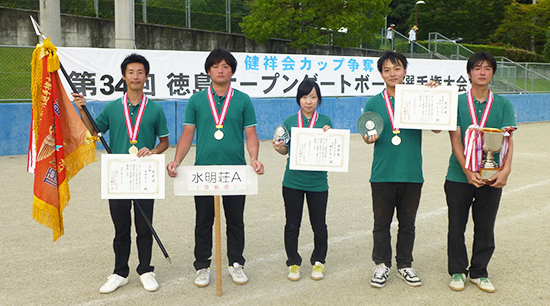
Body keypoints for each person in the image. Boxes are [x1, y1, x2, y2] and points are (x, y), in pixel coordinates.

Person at [166, 49, 264, 287]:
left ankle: (236, 263)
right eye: (216, 66)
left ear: (232, 71)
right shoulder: (197, 100)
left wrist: (254, 158)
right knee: (203, 220)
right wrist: (177, 160)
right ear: (208, 71)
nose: (221, 70)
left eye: (225, 66)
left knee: (235, 220)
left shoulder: (242, 99)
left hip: (235, 172)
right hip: (204, 172)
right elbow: (187, 134)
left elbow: (251, 134)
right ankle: (202, 266)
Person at [73, 53, 170, 293]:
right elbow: (94, 131)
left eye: (140, 72)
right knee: (121, 227)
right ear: (124, 76)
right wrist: (83, 109)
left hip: (144, 175)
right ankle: (120, 272)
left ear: (146, 77)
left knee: (144, 225)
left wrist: (154, 151)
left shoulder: (155, 109)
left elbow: (165, 142)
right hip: (118, 175)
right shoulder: (113, 108)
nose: (135, 76)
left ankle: (146, 269)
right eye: (131, 72)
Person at [362, 51, 439, 288]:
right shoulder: (374, 102)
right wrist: (369, 137)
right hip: (383, 173)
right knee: (381, 223)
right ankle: (382, 264)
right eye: (386, 70)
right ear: (381, 74)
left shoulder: (419, 96)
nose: (392, 74)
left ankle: (405, 264)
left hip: (411, 172)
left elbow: (437, 128)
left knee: (408, 223)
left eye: (396, 68)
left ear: (405, 71)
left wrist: (433, 97)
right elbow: (367, 135)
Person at [445, 51, 516, 293]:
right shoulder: (457, 102)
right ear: (469, 73)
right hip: (458, 175)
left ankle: (479, 272)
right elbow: (455, 140)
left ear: (492, 73)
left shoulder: (503, 104)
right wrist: (466, 170)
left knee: (485, 226)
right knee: (456, 225)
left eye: (487, 68)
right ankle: (457, 270)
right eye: (477, 68)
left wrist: (505, 170)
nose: (482, 72)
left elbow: (507, 141)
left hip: (491, 175)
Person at [272, 79, 332, 281]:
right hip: (292, 182)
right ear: (299, 98)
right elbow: (284, 150)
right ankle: (293, 263)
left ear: (319, 99)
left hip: (318, 183)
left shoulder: (325, 121)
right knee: (292, 225)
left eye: (313, 97)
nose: (309, 101)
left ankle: (319, 261)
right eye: (305, 97)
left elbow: (330, 150)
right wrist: (279, 147)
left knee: (319, 225)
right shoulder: (289, 121)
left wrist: (329, 137)